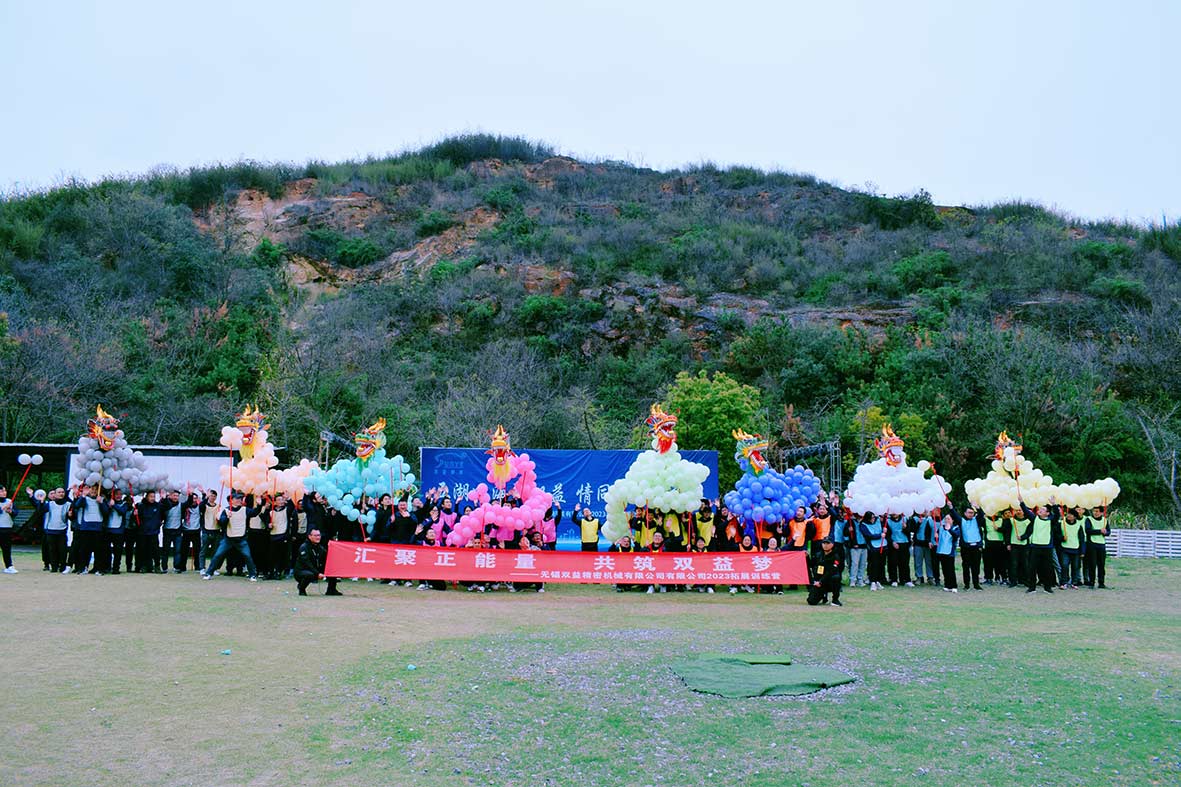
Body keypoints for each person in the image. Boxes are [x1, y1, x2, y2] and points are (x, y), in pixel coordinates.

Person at [201, 491, 260, 581]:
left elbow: (254, 513)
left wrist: (259, 505)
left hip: (241, 539)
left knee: (247, 556)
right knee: (217, 555)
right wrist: (227, 517)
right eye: (237, 499)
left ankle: (252, 575)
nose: (239, 500)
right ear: (231, 501)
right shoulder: (226, 510)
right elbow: (222, 522)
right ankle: (209, 573)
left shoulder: (245, 509)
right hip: (228, 539)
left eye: (240, 499)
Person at [1017, 497, 1058, 594]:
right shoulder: (1034, 519)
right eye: (1040, 509)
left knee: (1047, 568)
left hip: (1047, 548)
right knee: (1032, 568)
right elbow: (1026, 511)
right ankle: (1032, 587)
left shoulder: (1051, 521)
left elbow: (1057, 515)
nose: (1040, 510)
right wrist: (1022, 502)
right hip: (1035, 547)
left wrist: (1054, 504)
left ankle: (1047, 587)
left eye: (1043, 510)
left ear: (1047, 513)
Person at [71, 484, 109, 575]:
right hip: (86, 527)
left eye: (96, 489)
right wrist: (83, 495)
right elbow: (77, 505)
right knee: (84, 549)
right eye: (92, 489)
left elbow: (106, 512)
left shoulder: (101, 499)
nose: (94, 491)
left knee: (98, 550)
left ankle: (99, 569)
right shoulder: (84, 499)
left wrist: (101, 502)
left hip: (98, 528)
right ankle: (83, 568)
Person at [31, 487, 71, 573]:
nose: (61, 494)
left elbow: (72, 516)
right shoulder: (50, 504)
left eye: (62, 492)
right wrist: (41, 502)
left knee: (63, 550)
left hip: (62, 530)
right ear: (55, 494)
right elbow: (40, 511)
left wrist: (71, 515)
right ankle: (54, 567)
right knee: (52, 550)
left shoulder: (68, 504)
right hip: (51, 530)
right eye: (59, 492)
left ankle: (62, 566)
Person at [293, 527, 339, 596]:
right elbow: (307, 563)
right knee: (309, 575)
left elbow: (328, 558)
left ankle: (331, 589)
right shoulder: (304, 547)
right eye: (315, 535)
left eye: (319, 535)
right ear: (309, 536)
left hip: (315, 570)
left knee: (332, 568)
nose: (318, 537)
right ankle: (301, 589)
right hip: (302, 571)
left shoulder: (320, 547)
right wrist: (317, 573)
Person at [135, 490, 165, 574]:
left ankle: (157, 566)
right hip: (143, 532)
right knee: (144, 550)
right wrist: (135, 514)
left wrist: (164, 498)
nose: (152, 498)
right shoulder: (141, 506)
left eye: (154, 497)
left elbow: (165, 511)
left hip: (154, 532)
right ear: (146, 497)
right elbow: (137, 518)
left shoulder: (158, 506)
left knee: (156, 550)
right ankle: (144, 566)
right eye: (151, 496)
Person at [807, 538, 844, 606]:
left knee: (836, 577)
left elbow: (831, 571)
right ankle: (823, 596)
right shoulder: (818, 555)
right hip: (819, 581)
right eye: (824, 543)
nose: (825, 545)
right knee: (811, 601)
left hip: (829, 581)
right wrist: (807, 557)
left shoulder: (836, 556)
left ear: (832, 544)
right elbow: (811, 565)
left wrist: (821, 582)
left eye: (828, 543)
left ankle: (835, 600)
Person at [104, 489, 132, 574]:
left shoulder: (125, 504)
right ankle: (107, 567)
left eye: (120, 494)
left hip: (119, 531)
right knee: (107, 551)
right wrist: (109, 506)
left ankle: (116, 568)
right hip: (108, 530)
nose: (118, 496)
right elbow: (105, 512)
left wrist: (114, 505)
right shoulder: (109, 502)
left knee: (118, 551)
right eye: (116, 494)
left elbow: (122, 511)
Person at [932, 511, 960, 592]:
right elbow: (937, 538)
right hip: (941, 551)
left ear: (952, 520)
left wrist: (949, 529)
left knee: (950, 569)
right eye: (946, 519)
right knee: (944, 569)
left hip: (949, 552)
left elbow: (956, 536)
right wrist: (935, 536)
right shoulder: (941, 527)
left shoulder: (955, 528)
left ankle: (953, 586)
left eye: (948, 519)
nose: (947, 520)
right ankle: (947, 585)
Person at [957, 505, 984, 591]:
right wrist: (950, 507)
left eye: (972, 513)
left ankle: (976, 584)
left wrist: (978, 508)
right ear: (965, 513)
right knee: (966, 566)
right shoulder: (961, 520)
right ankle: (967, 584)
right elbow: (954, 515)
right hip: (966, 547)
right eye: (969, 512)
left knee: (976, 566)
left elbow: (981, 515)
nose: (971, 514)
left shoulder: (976, 520)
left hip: (976, 547)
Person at [174, 492, 202, 573]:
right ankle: (182, 567)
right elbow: (187, 503)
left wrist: (204, 494)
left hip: (196, 531)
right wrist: (189, 495)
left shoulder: (199, 507)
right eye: (193, 498)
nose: (194, 500)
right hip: (186, 531)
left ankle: (197, 567)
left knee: (197, 550)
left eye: (195, 498)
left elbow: (204, 503)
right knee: (184, 550)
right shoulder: (185, 506)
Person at [1058, 509, 1086, 589]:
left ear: (1075, 517)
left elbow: (1082, 538)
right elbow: (1056, 535)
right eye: (1068, 514)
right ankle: (1064, 582)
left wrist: (1082, 551)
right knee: (1064, 566)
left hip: (1076, 549)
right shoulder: (1062, 523)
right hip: (1064, 548)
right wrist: (1062, 538)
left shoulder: (1078, 525)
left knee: (1075, 567)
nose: (1069, 516)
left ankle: (1074, 582)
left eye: (1071, 515)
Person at [859, 513, 887, 591]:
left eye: (874, 517)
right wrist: (879, 535)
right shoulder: (863, 525)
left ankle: (878, 581)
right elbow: (868, 536)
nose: (873, 519)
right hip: (873, 547)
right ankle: (873, 582)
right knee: (874, 564)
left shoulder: (878, 521)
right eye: (871, 518)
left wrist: (884, 530)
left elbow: (884, 526)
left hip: (882, 545)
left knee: (881, 564)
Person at [1083, 506, 1109, 589]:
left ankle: (1101, 582)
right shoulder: (1089, 519)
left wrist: (1105, 532)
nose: (1095, 513)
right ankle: (1091, 582)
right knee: (1092, 564)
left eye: (1097, 511)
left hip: (1101, 544)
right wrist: (1099, 531)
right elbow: (1088, 531)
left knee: (1101, 564)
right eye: (1094, 511)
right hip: (1092, 544)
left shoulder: (1105, 520)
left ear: (1101, 512)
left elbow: (1108, 532)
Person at [1003, 506, 1029, 588]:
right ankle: (1013, 581)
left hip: (1024, 545)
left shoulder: (1028, 520)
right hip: (1014, 544)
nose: (1018, 512)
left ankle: (1025, 580)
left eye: (1020, 510)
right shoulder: (1011, 520)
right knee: (1013, 564)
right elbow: (1007, 533)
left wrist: (1023, 537)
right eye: (1017, 510)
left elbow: (1029, 532)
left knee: (1025, 564)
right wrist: (1008, 544)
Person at [885, 513, 912, 586]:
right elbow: (887, 535)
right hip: (894, 544)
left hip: (904, 543)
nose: (894, 513)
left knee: (905, 563)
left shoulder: (905, 519)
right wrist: (892, 542)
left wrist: (905, 528)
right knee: (893, 562)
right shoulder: (888, 521)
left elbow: (909, 531)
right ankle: (893, 580)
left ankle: (906, 580)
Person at [161, 490, 184, 574]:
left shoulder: (181, 505)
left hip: (177, 531)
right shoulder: (166, 505)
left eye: (177, 496)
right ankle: (164, 568)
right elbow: (164, 505)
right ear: (170, 496)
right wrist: (164, 498)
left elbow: (189, 503)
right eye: (174, 495)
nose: (175, 497)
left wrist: (191, 494)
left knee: (177, 551)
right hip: (167, 530)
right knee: (165, 551)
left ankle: (177, 567)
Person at [983, 511, 1008, 586]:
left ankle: (1003, 578)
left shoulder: (1002, 520)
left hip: (1000, 543)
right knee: (988, 563)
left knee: (1001, 563)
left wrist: (999, 529)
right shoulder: (985, 520)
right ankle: (988, 578)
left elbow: (1006, 530)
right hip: (989, 543)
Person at [200, 490, 222, 572]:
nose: (212, 497)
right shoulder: (204, 505)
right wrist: (205, 497)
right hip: (206, 531)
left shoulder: (218, 506)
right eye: (211, 496)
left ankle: (213, 569)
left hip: (216, 530)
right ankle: (202, 568)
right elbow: (201, 506)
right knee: (204, 551)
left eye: (214, 496)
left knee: (215, 552)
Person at [911, 511, 935, 585]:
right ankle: (919, 577)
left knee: (929, 561)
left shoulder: (930, 519)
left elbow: (932, 531)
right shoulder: (915, 519)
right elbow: (912, 530)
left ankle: (930, 577)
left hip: (928, 544)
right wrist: (918, 523)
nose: (924, 511)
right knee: (918, 562)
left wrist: (931, 541)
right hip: (918, 544)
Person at [847, 508, 868, 588]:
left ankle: (860, 580)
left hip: (864, 546)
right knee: (855, 564)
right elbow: (845, 533)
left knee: (863, 564)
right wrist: (849, 530)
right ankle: (853, 580)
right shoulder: (850, 521)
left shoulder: (865, 521)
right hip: (855, 546)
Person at [0, 485, 16, 573]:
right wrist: (2, 508)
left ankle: (9, 566)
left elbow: (15, 513)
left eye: (4, 491)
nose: (4, 493)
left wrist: (10, 511)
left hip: (7, 528)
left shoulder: (10, 501)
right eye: (1, 491)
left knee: (6, 549)